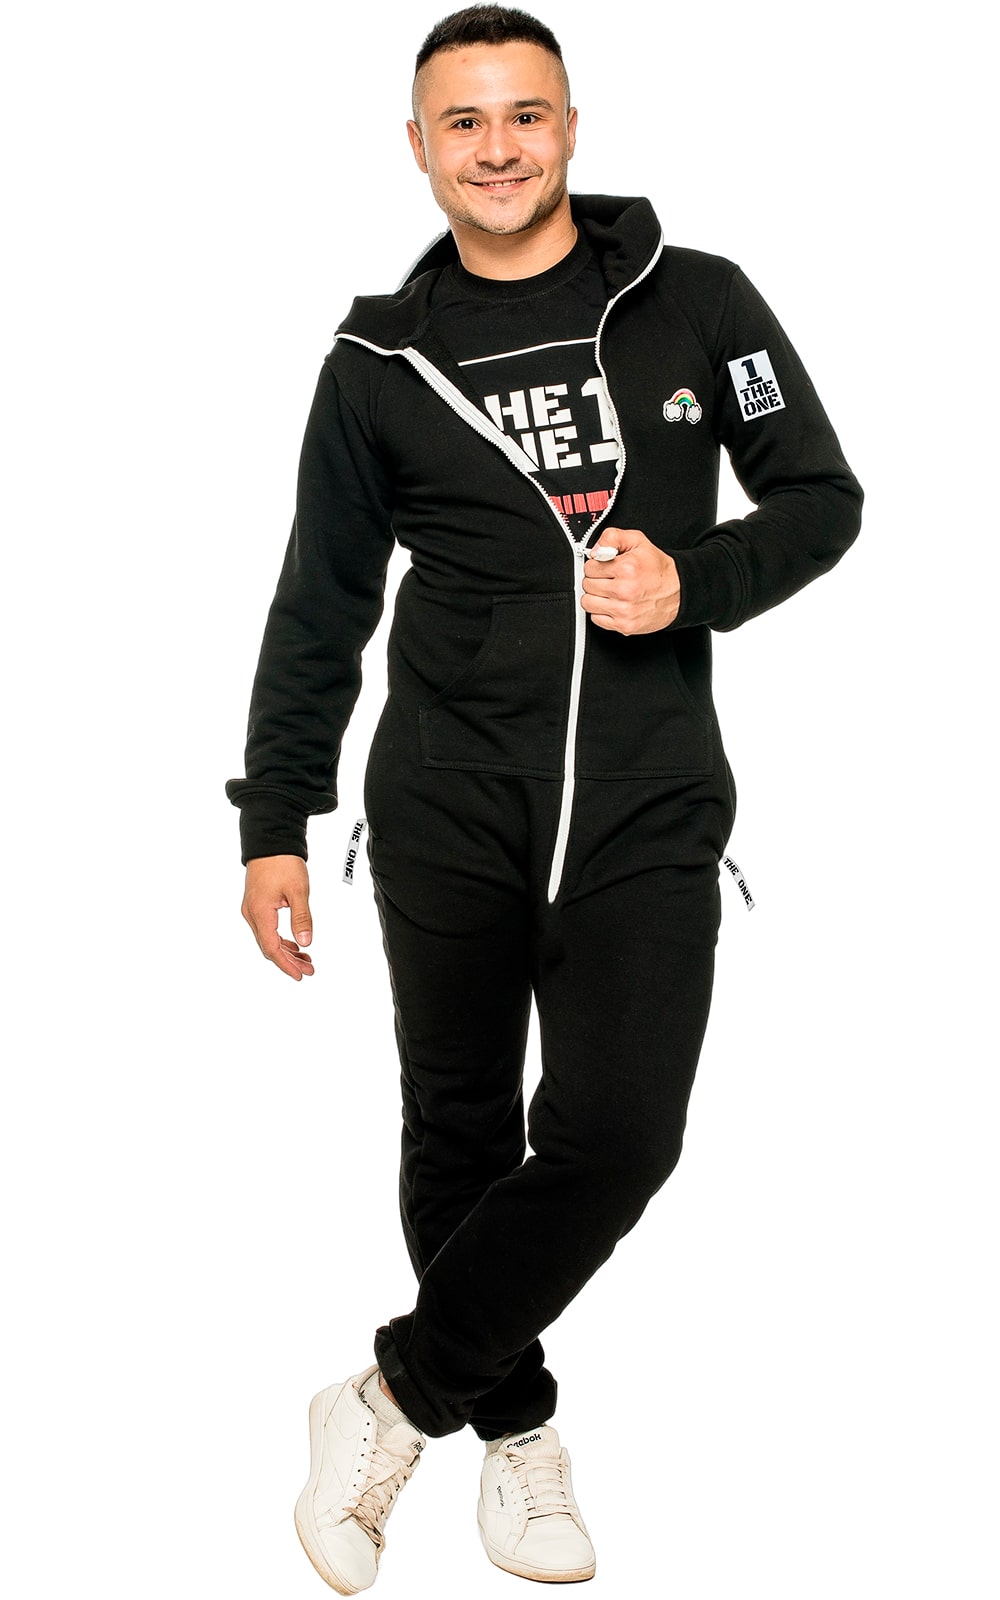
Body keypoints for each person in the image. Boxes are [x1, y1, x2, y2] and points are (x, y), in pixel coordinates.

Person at [226, 5, 863, 1590]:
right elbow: (320, 603)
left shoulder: (697, 302)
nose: (497, 148)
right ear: (418, 146)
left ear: (570, 126)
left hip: (649, 804)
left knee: (620, 1133)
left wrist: (697, 580)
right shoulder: (377, 365)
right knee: (458, 1127)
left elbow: (821, 497)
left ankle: (388, 1399)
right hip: (445, 802)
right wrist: (273, 821)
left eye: (525, 115)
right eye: (464, 121)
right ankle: (514, 1433)